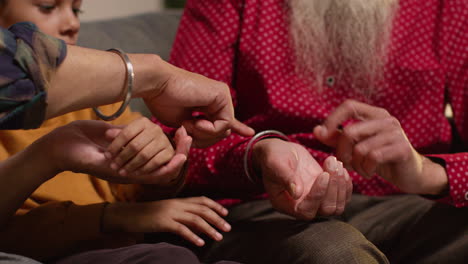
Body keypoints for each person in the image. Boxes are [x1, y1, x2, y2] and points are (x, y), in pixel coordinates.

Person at [159, 0, 468, 263]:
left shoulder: (446, 6)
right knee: (336, 251)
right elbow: (177, 144)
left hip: (406, 205)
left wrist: (429, 173)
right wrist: (258, 154)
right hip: (262, 208)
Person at [0, 0, 253, 262]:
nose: (72, 24)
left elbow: (135, 189)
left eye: (77, 10)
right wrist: (112, 218)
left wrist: (160, 160)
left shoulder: (101, 97)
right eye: (47, 6)